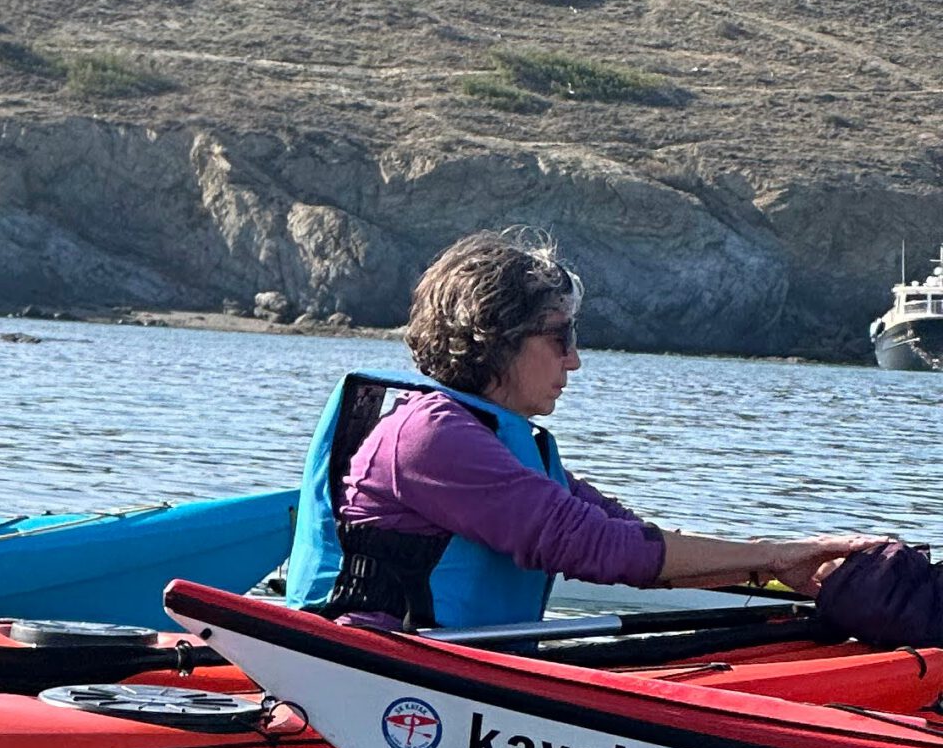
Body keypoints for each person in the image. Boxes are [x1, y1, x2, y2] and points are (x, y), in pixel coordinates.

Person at [287, 230, 879, 630]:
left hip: (457, 665)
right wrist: (772, 556)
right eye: (560, 338)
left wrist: (776, 566)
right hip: (374, 671)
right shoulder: (431, 438)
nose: (574, 360)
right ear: (496, 338)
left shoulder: (497, 441)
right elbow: (601, 549)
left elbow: (629, 539)